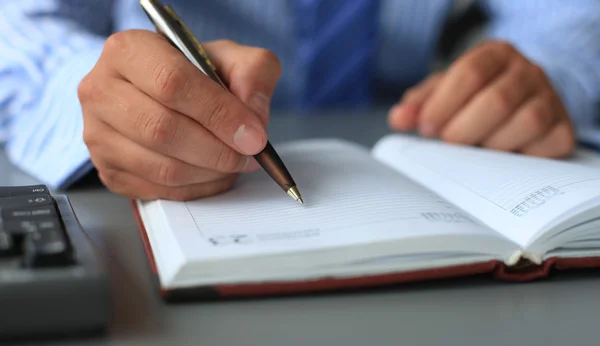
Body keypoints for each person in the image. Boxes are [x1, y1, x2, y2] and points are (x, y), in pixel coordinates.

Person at [0, 1, 598, 201]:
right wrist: (101, 92)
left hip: (428, 142)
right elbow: (19, 27)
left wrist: (554, 74)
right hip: (144, 178)